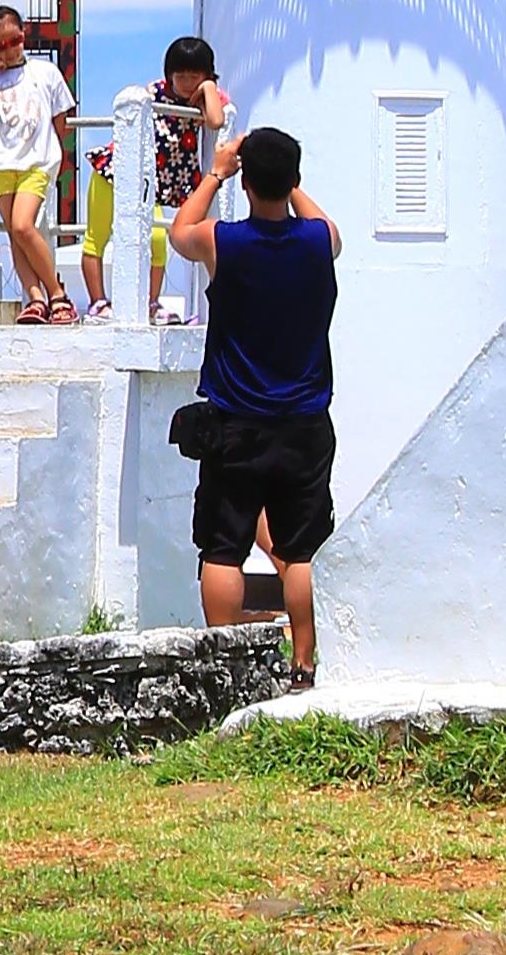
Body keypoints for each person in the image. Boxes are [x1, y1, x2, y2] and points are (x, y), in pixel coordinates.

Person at [166, 125, 340, 682]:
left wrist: (218, 170)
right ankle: (304, 662)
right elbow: (329, 228)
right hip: (306, 422)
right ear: (293, 180)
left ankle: (224, 663)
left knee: (223, 548)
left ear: (247, 184)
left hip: (237, 421)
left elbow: (179, 230)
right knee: (302, 548)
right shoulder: (317, 245)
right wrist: (291, 184)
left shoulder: (227, 242)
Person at [85, 34, 233, 324]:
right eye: (181, 75)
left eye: (195, 75)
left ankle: (150, 303)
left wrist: (208, 88)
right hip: (113, 172)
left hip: (149, 183)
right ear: (169, 74)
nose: (187, 82)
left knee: (156, 239)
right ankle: (98, 301)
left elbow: (217, 120)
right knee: (96, 238)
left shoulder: (207, 96)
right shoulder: (153, 93)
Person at [0, 3, 79, 324]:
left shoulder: (45, 72)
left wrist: (53, 151)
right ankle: (34, 297)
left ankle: (57, 294)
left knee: (23, 225)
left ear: (24, 34)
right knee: (14, 235)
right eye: (1, 45)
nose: (10, 49)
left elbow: (61, 114)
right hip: (0, 164)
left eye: (15, 40)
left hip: (36, 163)